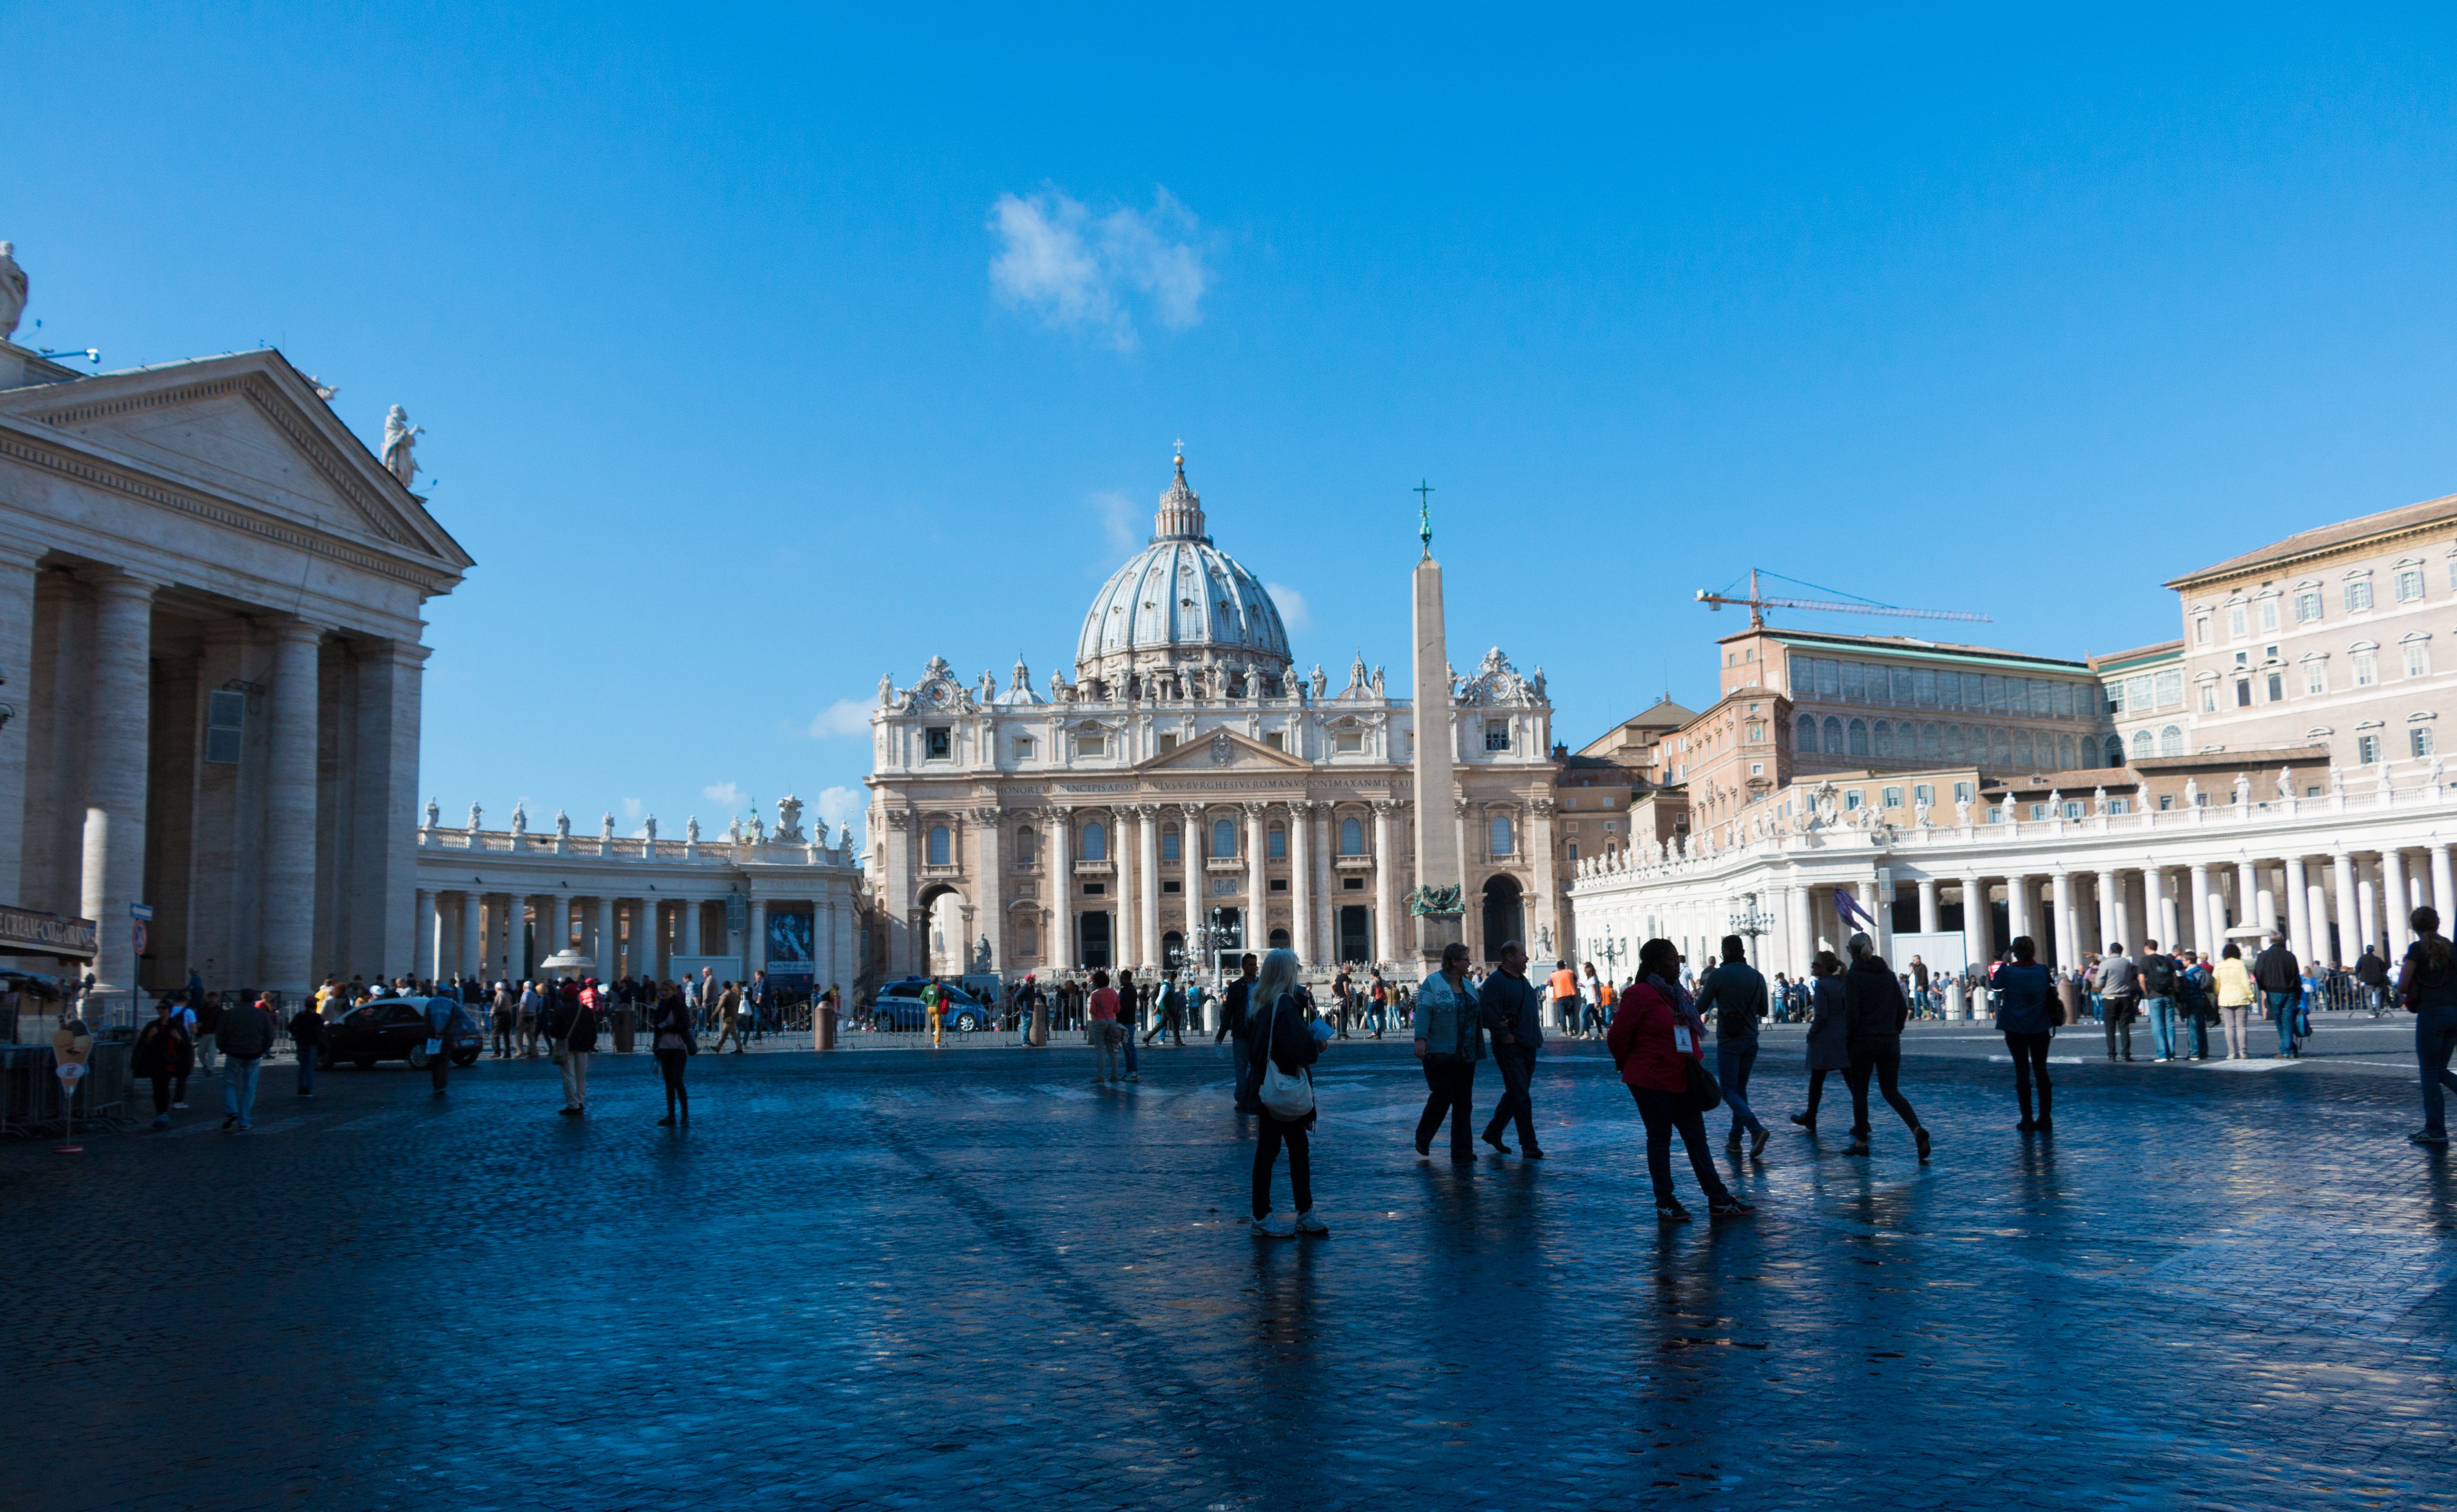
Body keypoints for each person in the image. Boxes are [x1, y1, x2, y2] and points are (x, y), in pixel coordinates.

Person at [1608, 938, 1752, 1222]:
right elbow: (1617, 1037)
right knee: (1660, 1139)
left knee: (1697, 1140)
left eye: (1677, 958)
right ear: (1656, 963)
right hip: (1651, 1079)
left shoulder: (1679, 993)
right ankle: (1666, 1200)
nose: (1678, 963)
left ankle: (1719, 1199)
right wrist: (1635, 1063)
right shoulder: (1639, 994)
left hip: (1683, 1076)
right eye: (1672, 959)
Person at [1243, 949, 1327, 1237]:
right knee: (1290, 1152)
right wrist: (1317, 1043)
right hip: (1284, 1086)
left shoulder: (1261, 1002)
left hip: (1268, 1086)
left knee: (1275, 1151)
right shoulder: (1285, 1005)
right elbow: (1301, 1048)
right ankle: (1280, 1215)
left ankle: (1277, 1214)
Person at [1841, 932, 1929, 1161]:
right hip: (1890, 1041)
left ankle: (1861, 1142)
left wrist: (1850, 1038)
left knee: (1860, 1093)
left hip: (1863, 1041)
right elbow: (1902, 1008)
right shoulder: (1888, 975)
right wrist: (1895, 1030)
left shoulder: (1854, 977)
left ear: (1852, 952)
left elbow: (1852, 1015)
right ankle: (1917, 1129)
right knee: (1891, 1091)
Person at [1695, 935, 1771, 1157]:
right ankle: (1735, 1140)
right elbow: (1764, 1011)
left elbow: (1701, 1006)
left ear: (1726, 952)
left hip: (1729, 1039)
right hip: (1751, 1039)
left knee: (1728, 1091)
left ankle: (1756, 1130)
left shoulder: (1719, 975)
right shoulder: (1758, 976)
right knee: (1740, 1090)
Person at [1410, 941, 1485, 1163]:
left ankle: (1462, 1150)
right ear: (1454, 962)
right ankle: (1423, 1136)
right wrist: (1421, 1039)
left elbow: (1476, 1013)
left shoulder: (1469, 985)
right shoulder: (1432, 983)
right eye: (1465, 959)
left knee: (1464, 1102)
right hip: (1439, 1051)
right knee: (1443, 1096)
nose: (1469, 962)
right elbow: (1423, 1012)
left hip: (1466, 1052)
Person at [1477, 939, 1546, 1159]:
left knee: (1516, 1094)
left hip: (1528, 1044)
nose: (1527, 958)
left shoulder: (1522, 980)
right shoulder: (1495, 982)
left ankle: (1493, 1132)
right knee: (1522, 1096)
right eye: (1523, 955)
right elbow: (1488, 1013)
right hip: (1510, 1047)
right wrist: (1504, 1034)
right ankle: (1529, 1144)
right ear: (1510, 957)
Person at [2397, 905, 2457, 1146]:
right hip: (2455, 1012)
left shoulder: (2417, 949)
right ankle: (2435, 1128)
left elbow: (2402, 985)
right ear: (2437, 923)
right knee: (2439, 1070)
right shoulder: (2452, 947)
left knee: (2430, 1073)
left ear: (2415, 926)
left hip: (2431, 1013)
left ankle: (2435, 1129)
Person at [1993, 936, 2058, 1132]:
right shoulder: (2042, 970)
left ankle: (2027, 1118)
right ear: (2034, 951)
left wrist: (2004, 962)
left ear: (2014, 952)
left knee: (2022, 1072)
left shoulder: (2008, 971)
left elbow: (1995, 985)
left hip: (2016, 1027)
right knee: (2041, 1071)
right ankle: (2045, 1117)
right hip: (2040, 1025)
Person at [1792, 950, 1850, 1131]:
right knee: (1851, 1080)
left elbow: (1821, 1016)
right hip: (1843, 1036)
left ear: (1823, 967)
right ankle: (1863, 1120)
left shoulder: (1822, 986)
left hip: (1825, 1039)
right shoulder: (1841, 984)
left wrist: (1811, 1034)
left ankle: (1811, 1116)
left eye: (1815, 964)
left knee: (1817, 1080)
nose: (1812, 967)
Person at [215, 992, 276, 1132]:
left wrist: (224, 1048)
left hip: (234, 1053)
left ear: (240, 999)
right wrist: (263, 1049)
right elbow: (270, 1035)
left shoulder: (229, 1014)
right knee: (249, 1088)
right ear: (254, 1000)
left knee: (229, 1083)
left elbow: (220, 1033)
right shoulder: (262, 1015)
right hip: (254, 1054)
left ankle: (231, 1110)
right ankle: (244, 1121)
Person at [132, 999, 194, 1129]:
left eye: (164, 1008)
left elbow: (185, 1046)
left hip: (172, 1061)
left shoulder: (177, 1026)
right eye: (159, 1008)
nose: (161, 1011)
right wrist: (149, 1036)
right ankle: (161, 1113)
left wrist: (178, 1038)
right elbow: (143, 1044)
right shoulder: (152, 1026)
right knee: (159, 1087)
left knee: (164, 1086)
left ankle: (163, 1113)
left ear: (169, 1010)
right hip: (157, 1061)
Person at [547, 980, 598, 1116]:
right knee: (581, 1076)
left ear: (568, 995)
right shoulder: (586, 1010)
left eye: (564, 994)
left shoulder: (561, 1010)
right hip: (583, 1047)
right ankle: (580, 1101)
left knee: (569, 1076)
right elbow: (593, 1030)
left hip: (567, 1046)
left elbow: (554, 1032)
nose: (562, 996)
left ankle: (573, 1104)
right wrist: (591, 1045)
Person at [1216, 954, 1260, 1111]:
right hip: (1241, 1032)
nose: (1254, 967)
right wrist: (1221, 1035)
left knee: (1258, 1067)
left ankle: (1256, 1097)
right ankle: (1241, 1099)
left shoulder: (1262, 985)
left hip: (1258, 1032)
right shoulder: (1235, 987)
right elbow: (1229, 1013)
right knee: (1241, 1068)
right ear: (1242, 967)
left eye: (1255, 965)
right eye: (1250, 965)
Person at [652, 981, 697, 1125]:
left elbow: (684, 1025)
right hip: (664, 1048)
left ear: (673, 991)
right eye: (662, 990)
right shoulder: (661, 1006)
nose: (664, 993)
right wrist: (656, 1047)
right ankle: (671, 1115)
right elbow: (657, 1028)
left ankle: (685, 1115)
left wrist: (667, 1028)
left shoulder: (679, 1005)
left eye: (667, 990)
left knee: (677, 1081)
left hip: (678, 1048)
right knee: (668, 1083)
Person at [2254, 930, 2304, 1059]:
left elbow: (2258, 973)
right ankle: (2289, 1047)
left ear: (2271, 941)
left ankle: (2286, 1049)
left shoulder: (2264, 956)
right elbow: (2296, 976)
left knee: (2279, 1021)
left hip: (2273, 991)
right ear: (2282, 941)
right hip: (2290, 992)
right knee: (2288, 1020)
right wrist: (2299, 995)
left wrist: (2264, 988)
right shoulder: (2290, 956)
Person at [2096, 944, 2142, 1062]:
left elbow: (2099, 983)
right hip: (2125, 997)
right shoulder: (2127, 963)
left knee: (2110, 1028)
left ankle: (2112, 1054)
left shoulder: (2105, 964)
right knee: (2124, 1027)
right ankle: (2126, 1054)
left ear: (2110, 951)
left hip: (2110, 998)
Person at [2214, 943, 2256, 1059]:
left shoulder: (2219, 966)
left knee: (2229, 1026)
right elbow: (2246, 982)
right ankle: (2243, 1052)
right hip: (2240, 997)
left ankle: (2231, 1053)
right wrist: (2251, 996)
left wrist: (2217, 995)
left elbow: (2216, 984)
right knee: (2241, 1026)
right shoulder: (2241, 965)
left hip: (2225, 998)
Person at [1086, 969, 1121, 1083]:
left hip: (1099, 1023)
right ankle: (1115, 1076)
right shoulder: (1114, 993)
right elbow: (1117, 1009)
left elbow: (1092, 1011)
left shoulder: (1095, 995)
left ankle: (1101, 1076)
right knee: (1113, 1050)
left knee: (1100, 1050)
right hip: (1112, 1022)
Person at [288, 996, 323, 1097]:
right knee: (310, 1067)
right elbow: (320, 1031)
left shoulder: (300, 1015)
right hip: (312, 1044)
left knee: (303, 1067)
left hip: (302, 1043)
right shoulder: (317, 1017)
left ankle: (300, 1088)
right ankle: (308, 1089)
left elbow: (290, 1027)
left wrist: (297, 1034)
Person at [424, 990, 455, 1094]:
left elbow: (427, 1020)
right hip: (446, 1037)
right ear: (445, 993)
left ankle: (436, 1085)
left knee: (435, 1062)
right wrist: (443, 1033)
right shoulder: (451, 1004)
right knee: (444, 1062)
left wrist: (434, 1034)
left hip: (433, 1038)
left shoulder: (430, 1003)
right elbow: (451, 1021)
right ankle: (442, 1084)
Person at [1115, 968, 1141, 1081]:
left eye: (1122, 978)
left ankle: (1134, 1072)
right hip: (1123, 1022)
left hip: (1128, 1022)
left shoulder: (1130, 991)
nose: (1120, 980)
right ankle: (1129, 1071)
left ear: (1127, 979)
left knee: (1130, 1047)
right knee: (1126, 1049)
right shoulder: (1125, 990)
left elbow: (1126, 1007)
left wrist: (1117, 1008)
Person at [2357, 944, 2391, 1017]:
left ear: (2366, 950)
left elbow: (2357, 969)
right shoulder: (2377, 959)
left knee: (2368, 997)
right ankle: (2378, 1012)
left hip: (2368, 981)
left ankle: (2372, 1013)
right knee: (2378, 997)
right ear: (2373, 950)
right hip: (2378, 980)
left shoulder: (2362, 958)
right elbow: (2384, 969)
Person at [1549, 959, 1581, 1037]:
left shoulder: (1553, 975)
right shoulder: (1570, 972)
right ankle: (1571, 1031)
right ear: (1564, 966)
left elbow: (1551, 984)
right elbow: (1576, 979)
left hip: (1560, 995)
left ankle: (1564, 1031)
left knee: (1562, 1015)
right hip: (1570, 994)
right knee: (1571, 1014)